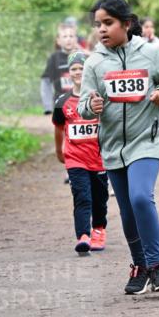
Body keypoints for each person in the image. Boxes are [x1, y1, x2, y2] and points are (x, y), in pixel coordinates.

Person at [78, 0, 159, 295]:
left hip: (146, 140)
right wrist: (91, 105)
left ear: (127, 23)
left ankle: (157, 265)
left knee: (140, 198)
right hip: (112, 146)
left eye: (108, 23)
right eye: (98, 24)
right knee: (126, 209)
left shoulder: (149, 53)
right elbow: (84, 102)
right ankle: (139, 266)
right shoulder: (94, 63)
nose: (102, 29)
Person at [53, 51, 108, 253]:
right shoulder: (62, 102)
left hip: (99, 159)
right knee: (82, 196)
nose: (78, 72)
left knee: (99, 198)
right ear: (69, 72)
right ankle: (83, 235)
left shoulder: (99, 98)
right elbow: (58, 129)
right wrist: (60, 151)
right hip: (75, 158)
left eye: (81, 68)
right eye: (74, 69)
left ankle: (99, 229)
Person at [40, 22, 81, 114]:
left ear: (76, 39)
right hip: (61, 104)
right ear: (58, 40)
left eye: (71, 36)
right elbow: (46, 82)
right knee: (61, 128)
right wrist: (48, 107)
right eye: (65, 36)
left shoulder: (83, 56)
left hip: (81, 103)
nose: (68, 39)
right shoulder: (54, 58)